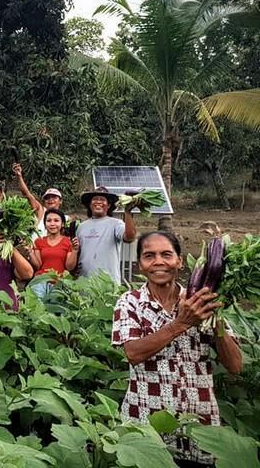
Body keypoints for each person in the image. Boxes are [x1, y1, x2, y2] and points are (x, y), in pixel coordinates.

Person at [112, 231, 242, 466]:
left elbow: (234, 365)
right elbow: (133, 353)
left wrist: (217, 320)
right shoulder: (129, 301)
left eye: (166, 255)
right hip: (145, 427)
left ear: (180, 261)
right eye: (149, 256)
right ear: (140, 265)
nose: (158, 262)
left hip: (199, 428)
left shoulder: (201, 300)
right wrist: (181, 323)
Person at [76, 186, 137, 283]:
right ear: (90, 204)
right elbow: (77, 252)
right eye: (95, 199)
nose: (99, 202)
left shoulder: (116, 224)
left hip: (108, 284)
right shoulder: (81, 227)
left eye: (103, 200)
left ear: (108, 205)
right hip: (84, 283)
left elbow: (129, 237)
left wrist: (128, 212)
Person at [28, 209, 79, 299]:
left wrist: (75, 250)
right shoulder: (39, 241)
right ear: (44, 224)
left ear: (62, 224)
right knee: (36, 309)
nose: (52, 224)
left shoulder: (68, 242)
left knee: (55, 310)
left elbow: (69, 267)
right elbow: (38, 265)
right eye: (48, 220)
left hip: (59, 282)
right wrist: (30, 252)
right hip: (41, 281)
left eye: (56, 220)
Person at [12, 163, 63, 237]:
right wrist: (19, 177)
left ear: (60, 201)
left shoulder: (66, 219)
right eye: (47, 198)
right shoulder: (41, 211)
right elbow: (27, 194)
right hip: (35, 247)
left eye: (54, 197)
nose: (50, 200)